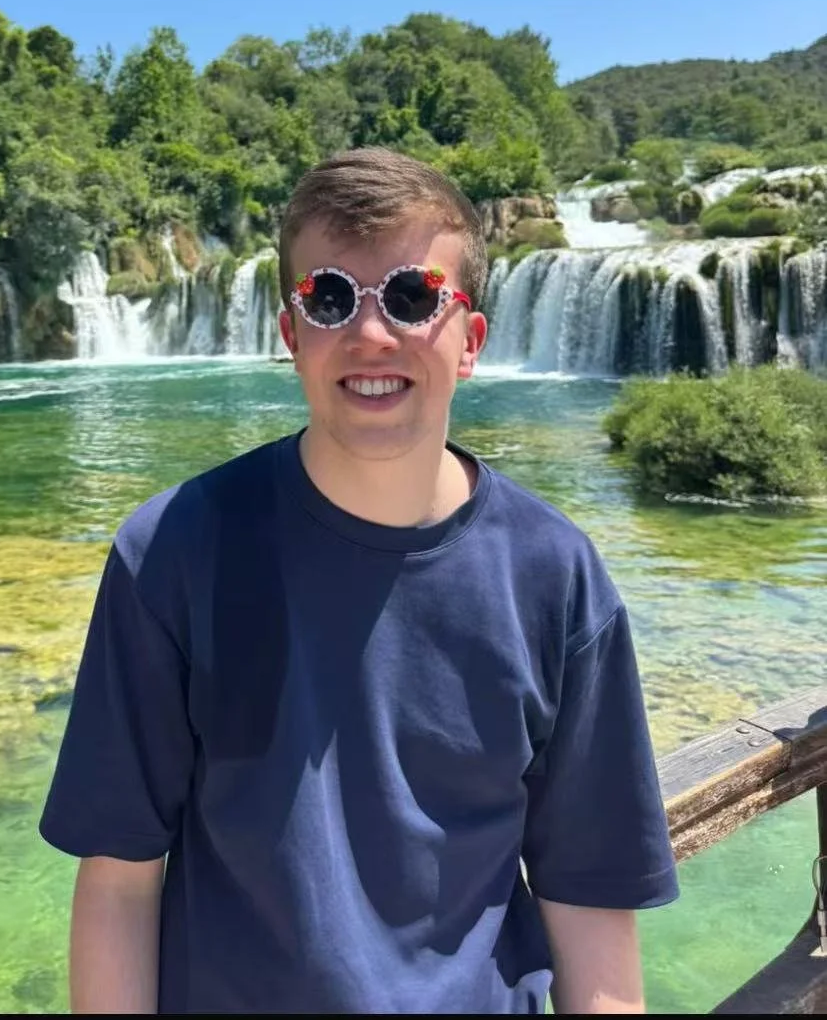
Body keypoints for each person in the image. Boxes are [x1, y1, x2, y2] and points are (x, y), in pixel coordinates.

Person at [39, 147, 678, 1014]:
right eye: (331, 296)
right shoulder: (170, 553)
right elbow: (118, 880)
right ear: (292, 334)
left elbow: (590, 900)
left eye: (413, 297)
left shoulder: (556, 576)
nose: (371, 333)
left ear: (469, 341)